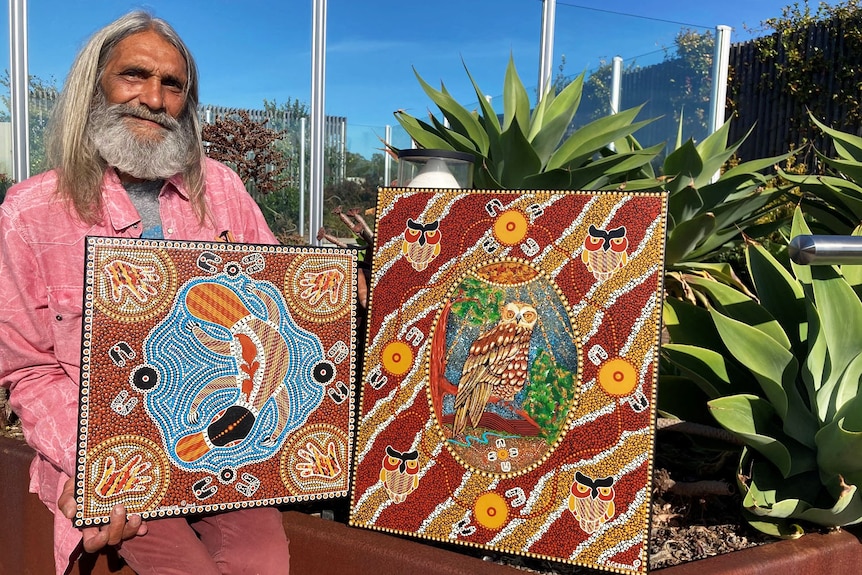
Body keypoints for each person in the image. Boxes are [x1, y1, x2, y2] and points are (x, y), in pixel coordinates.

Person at [0, 11, 294, 575]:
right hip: (109, 448)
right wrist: (93, 465)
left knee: (263, 559)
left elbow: (277, 302)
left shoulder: (223, 190)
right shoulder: (31, 211)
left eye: (173, 84)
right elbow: (26, 368)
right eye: (134, 75)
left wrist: (338, 292)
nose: (154, 99)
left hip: (226, 443)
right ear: (95, 85)